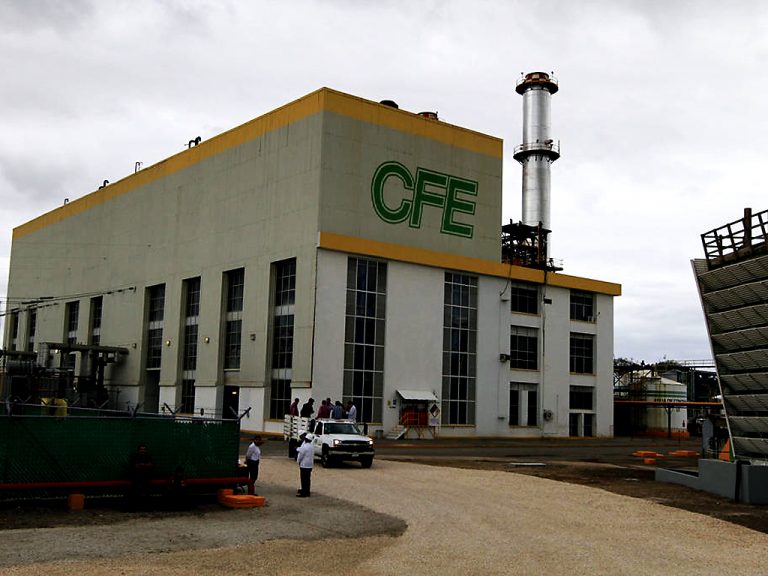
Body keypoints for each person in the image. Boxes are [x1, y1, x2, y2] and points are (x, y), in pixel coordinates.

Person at [296, 432, 314, 497]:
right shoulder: (311, 446)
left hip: (304, 465)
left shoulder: (305, 446)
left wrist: (298, 461)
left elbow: (300, 455)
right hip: (310, 465)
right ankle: (307, 491)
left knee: (303, 479)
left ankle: (304, 492)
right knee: (307, 479)